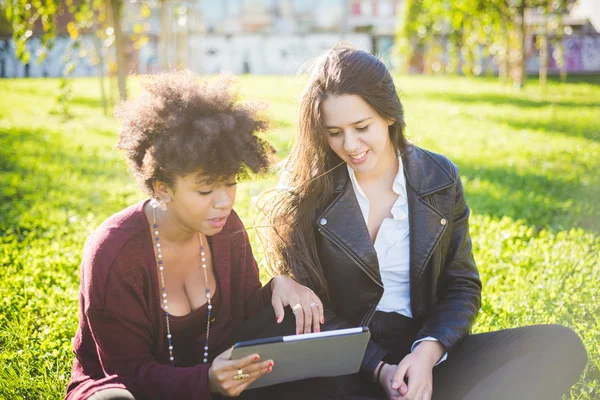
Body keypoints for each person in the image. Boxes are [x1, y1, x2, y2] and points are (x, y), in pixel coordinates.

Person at [260, 45, 588, 400]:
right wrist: (380, 368)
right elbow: (310, 313)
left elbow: (462, 285)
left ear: (389, 115)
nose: (350, 145)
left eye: (361, 126)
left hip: (424, 351)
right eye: (334, 131)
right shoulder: (309, 191)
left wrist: (426, 354)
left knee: (559, 345)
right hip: (348, 362)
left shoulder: (439, 177)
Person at [65, 71, 324, 400]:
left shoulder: (226, 227)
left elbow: (244, 318)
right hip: (132, 388)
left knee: (300, 326)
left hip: (219, 380)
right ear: (163, 188)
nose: (224, 201)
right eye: (205, 189)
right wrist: (207, 382)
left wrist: (279, 286)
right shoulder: (114, 253)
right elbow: (126, 371)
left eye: (230, 182)